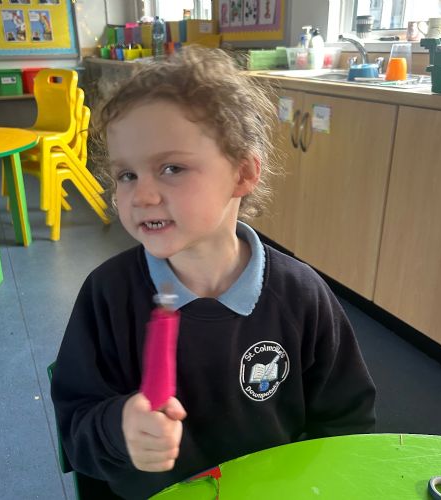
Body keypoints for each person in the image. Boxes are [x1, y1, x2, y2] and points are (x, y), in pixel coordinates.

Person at [51, 46, 376, 499]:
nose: (141, 196)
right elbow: (76, 427)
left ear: (243, 174)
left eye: (171, 168)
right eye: (126, 175)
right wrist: (118, 429)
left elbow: (347, 422)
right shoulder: (107, 295)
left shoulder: (302, 296)